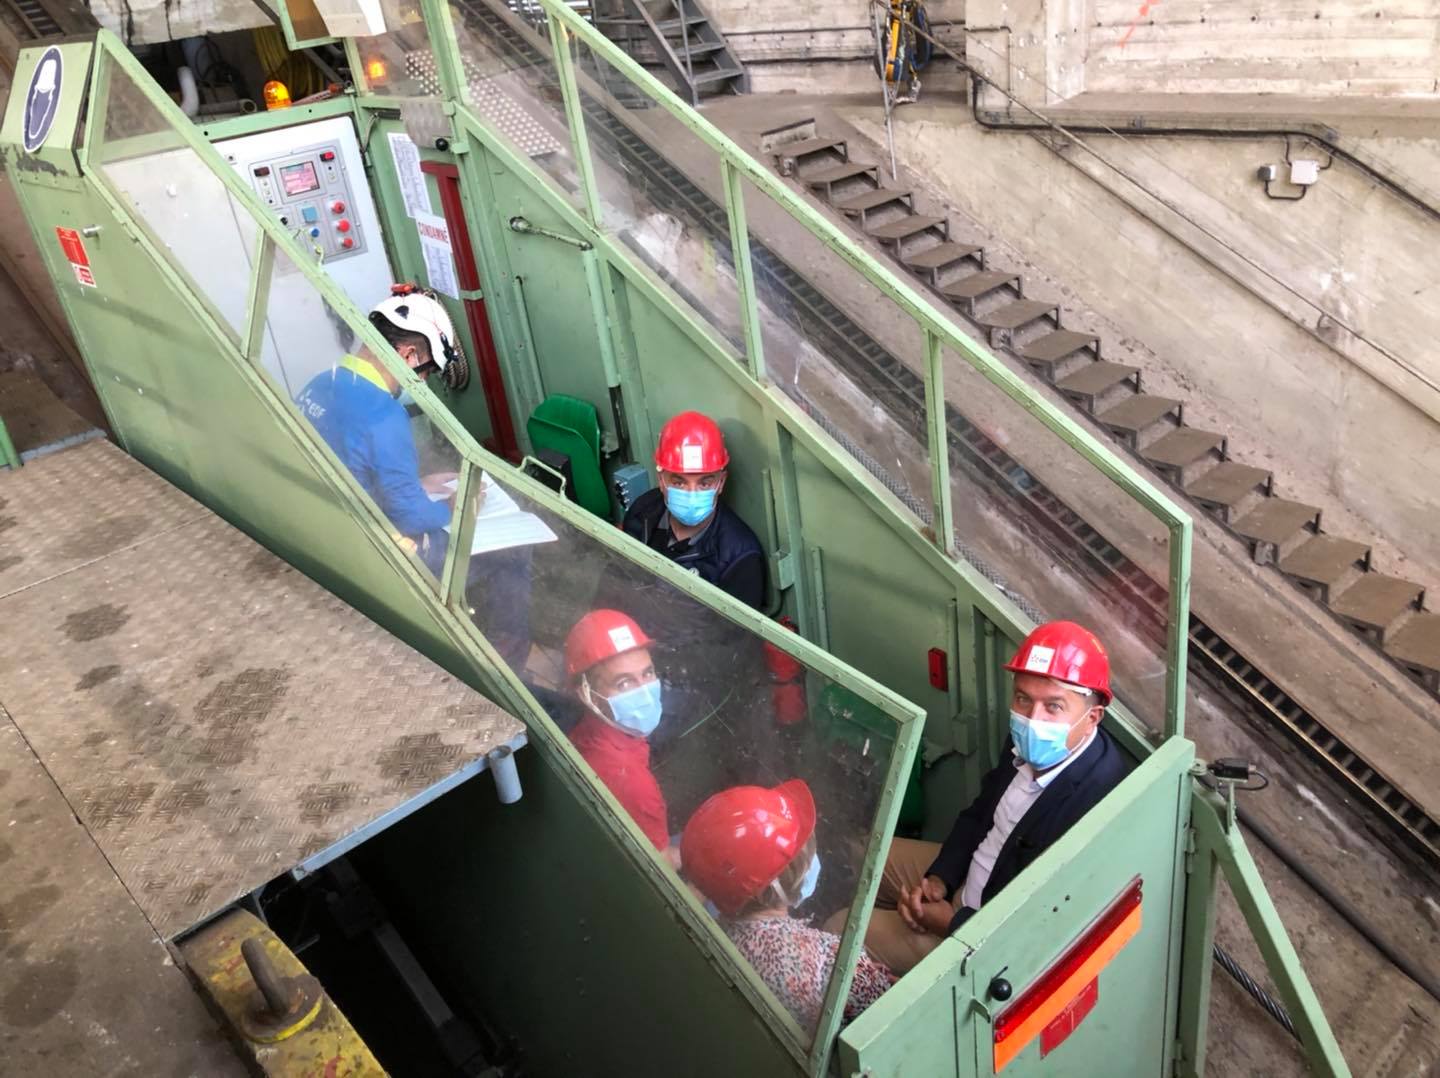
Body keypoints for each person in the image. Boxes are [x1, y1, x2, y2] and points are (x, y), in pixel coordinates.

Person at [842, 621, 1129, 975]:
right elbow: (980, 815)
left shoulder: (1098, 798)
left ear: (1092, 719)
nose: (1032, 719)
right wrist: (939, 879)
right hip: (965, 880)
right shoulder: (1022, 742)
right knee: (857, 852)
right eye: (1023, 699)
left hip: (980, 937)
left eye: (1053, 707)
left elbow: (1041, 923)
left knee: (839, 928)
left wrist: (952, 923)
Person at [682, 779, 895, 1031]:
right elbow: (894, 1014)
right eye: (799, 854)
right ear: (774, 884)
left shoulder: (700, 937)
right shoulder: (832, 960)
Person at [295, 285, 465, 577]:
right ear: (410, 356)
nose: (423, 381)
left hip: (314, 523)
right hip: (363, 548)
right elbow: (411, 517)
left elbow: (349, 462)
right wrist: (455, 508)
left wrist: (416, 484)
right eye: (427, 372)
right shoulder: (386, 416)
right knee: (509, 559)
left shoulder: (319, 384)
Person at [621, 411, 765, 611]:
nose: (691, 493)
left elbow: (735, 638)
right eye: (679, 482)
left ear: (721, 482)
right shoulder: (642, 513)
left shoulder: (739, 556)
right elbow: (616, 583)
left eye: (705, 484)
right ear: (661, 481)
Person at [563, 609, 674, 859]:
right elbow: (661, 867)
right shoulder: (635, 786)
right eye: (624, 683)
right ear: (586, 693)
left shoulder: (586, 728)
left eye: (647, 673)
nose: (645, 692)